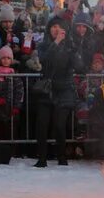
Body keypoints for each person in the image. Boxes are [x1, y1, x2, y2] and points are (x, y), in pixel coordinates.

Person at [35, 16, 83, 167]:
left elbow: (79, 66)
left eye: (59, 27)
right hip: (47, 89)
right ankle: (42, 158)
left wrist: (73, 50)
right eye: (53, 27)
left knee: (59, 125)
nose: (56, 29)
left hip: (64, 90)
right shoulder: (43, 46)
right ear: (49, 29)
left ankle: (62, 158)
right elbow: (44, 61)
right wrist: (56, 44)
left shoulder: (70, 46)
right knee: (42, 125)